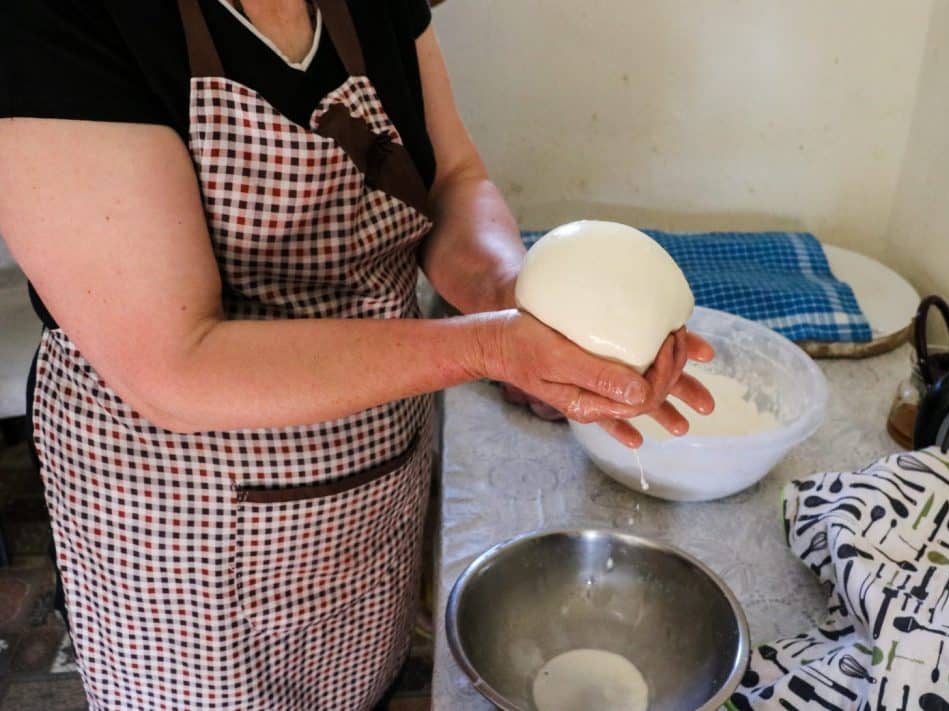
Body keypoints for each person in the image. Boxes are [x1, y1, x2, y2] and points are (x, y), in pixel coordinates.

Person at [0, 1, 713, 708]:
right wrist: (491, 344)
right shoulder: (61, 23)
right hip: (182, 536)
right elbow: (173, 364)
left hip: (369, 492)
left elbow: (452, 180)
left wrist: (519, 299)